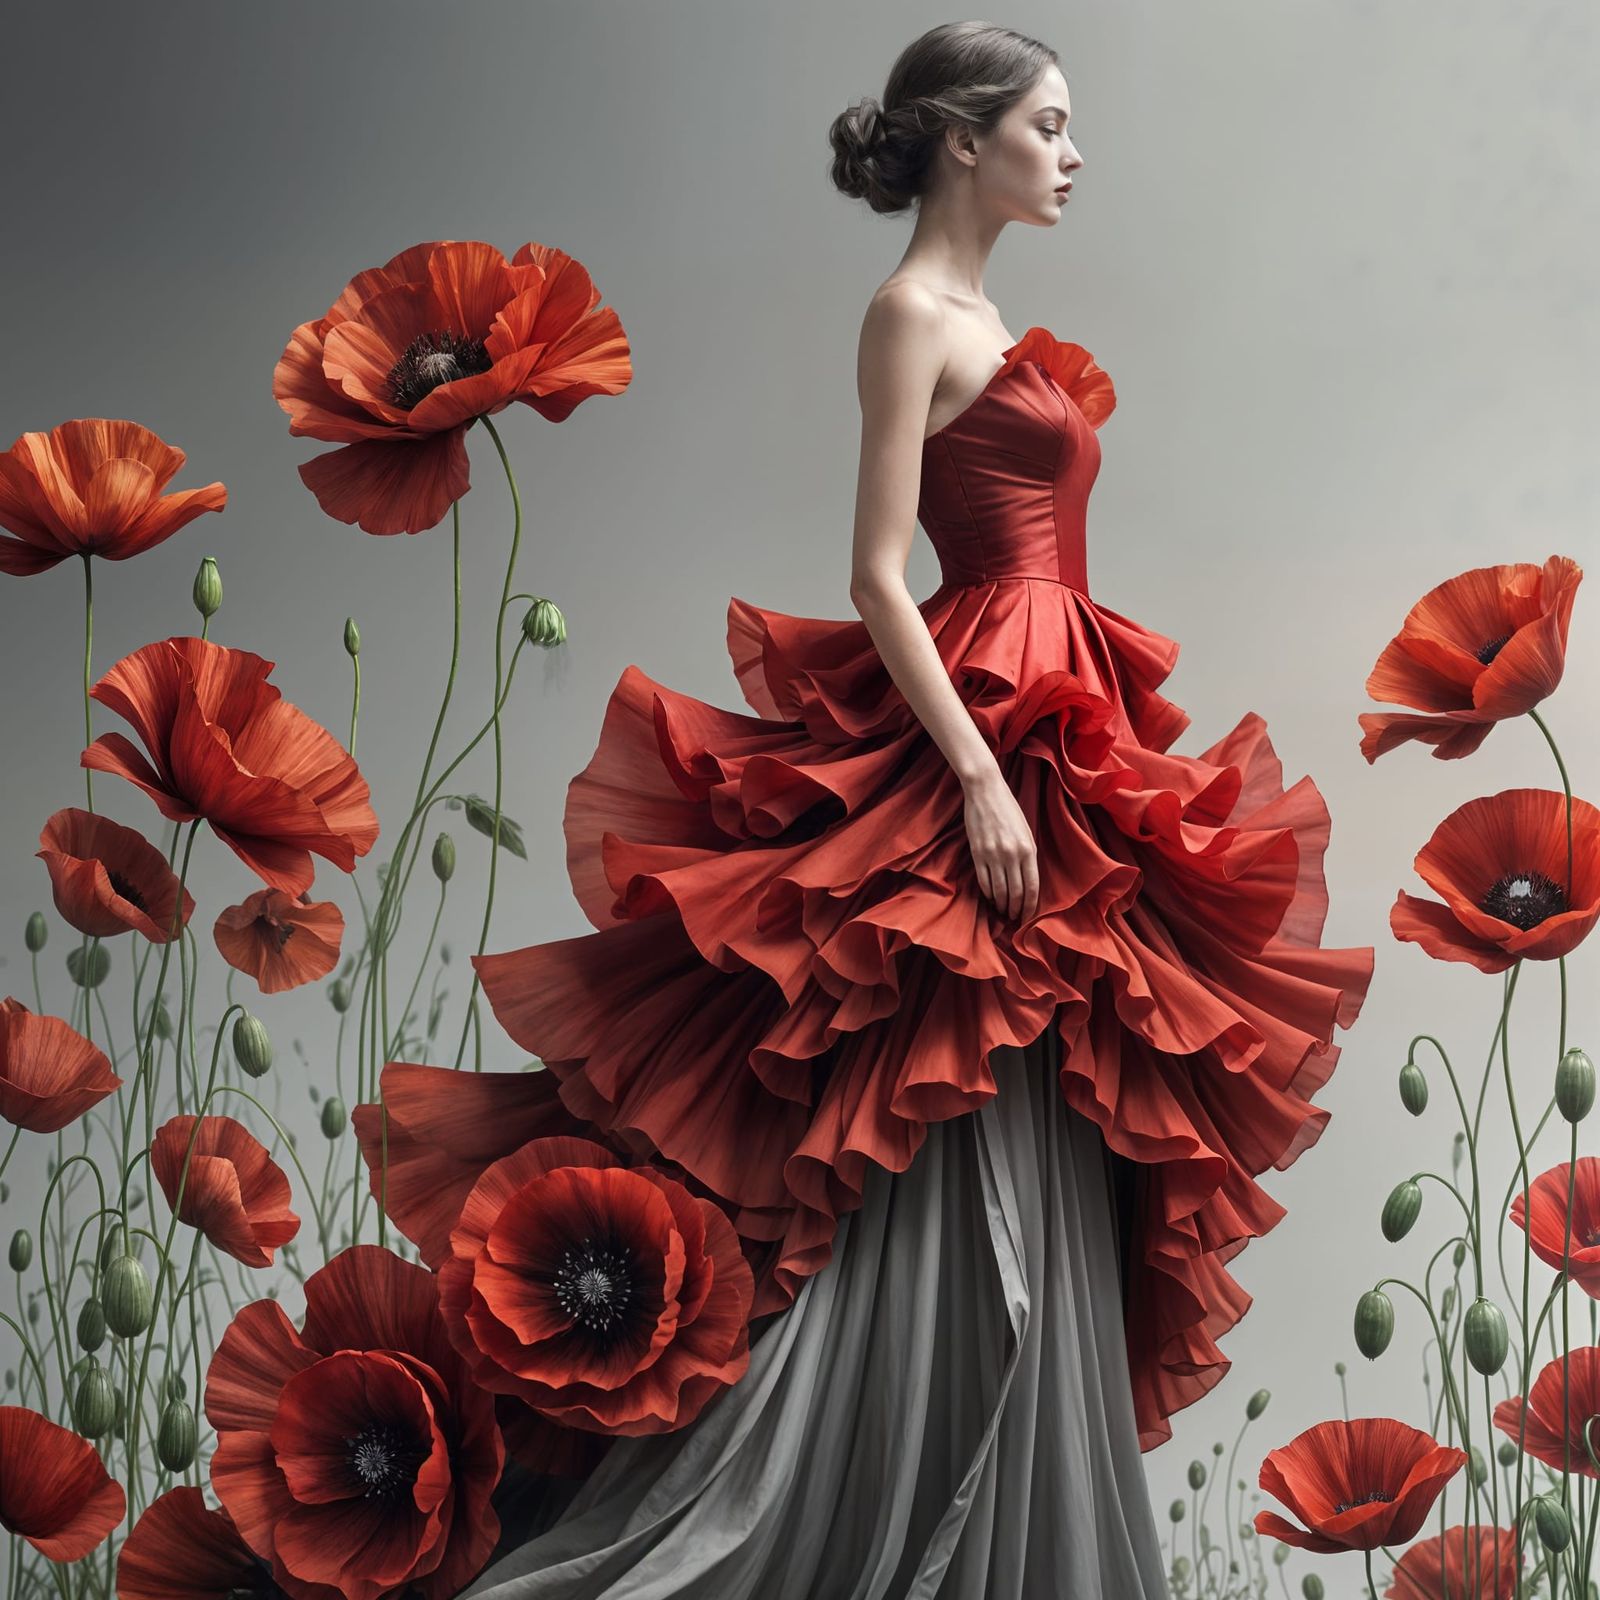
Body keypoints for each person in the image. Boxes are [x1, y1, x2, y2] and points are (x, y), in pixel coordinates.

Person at [451, 21, 1376, 1598]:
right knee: (951, 1096)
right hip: (980, 730)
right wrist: (965, 773)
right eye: (1053, 126)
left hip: (1058, 713)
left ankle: (1013, 1536)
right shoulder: (908, 317)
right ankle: (892, 1513)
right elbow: (877, 574)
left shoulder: (985, 314)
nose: (1076, 156)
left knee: (1049, 1100)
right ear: (965, 139)